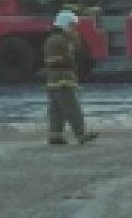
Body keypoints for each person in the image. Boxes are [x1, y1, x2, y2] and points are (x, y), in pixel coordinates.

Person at [42, 10, 98, 146]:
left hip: (53, 79)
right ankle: (81, 134)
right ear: (65, 24)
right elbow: (69, 56)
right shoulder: (61, 40)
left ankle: (55, 135)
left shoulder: (53, 38)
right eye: (72, 25)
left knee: (57, 109)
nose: (74, 28)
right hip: (63, 79)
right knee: (72, 107)